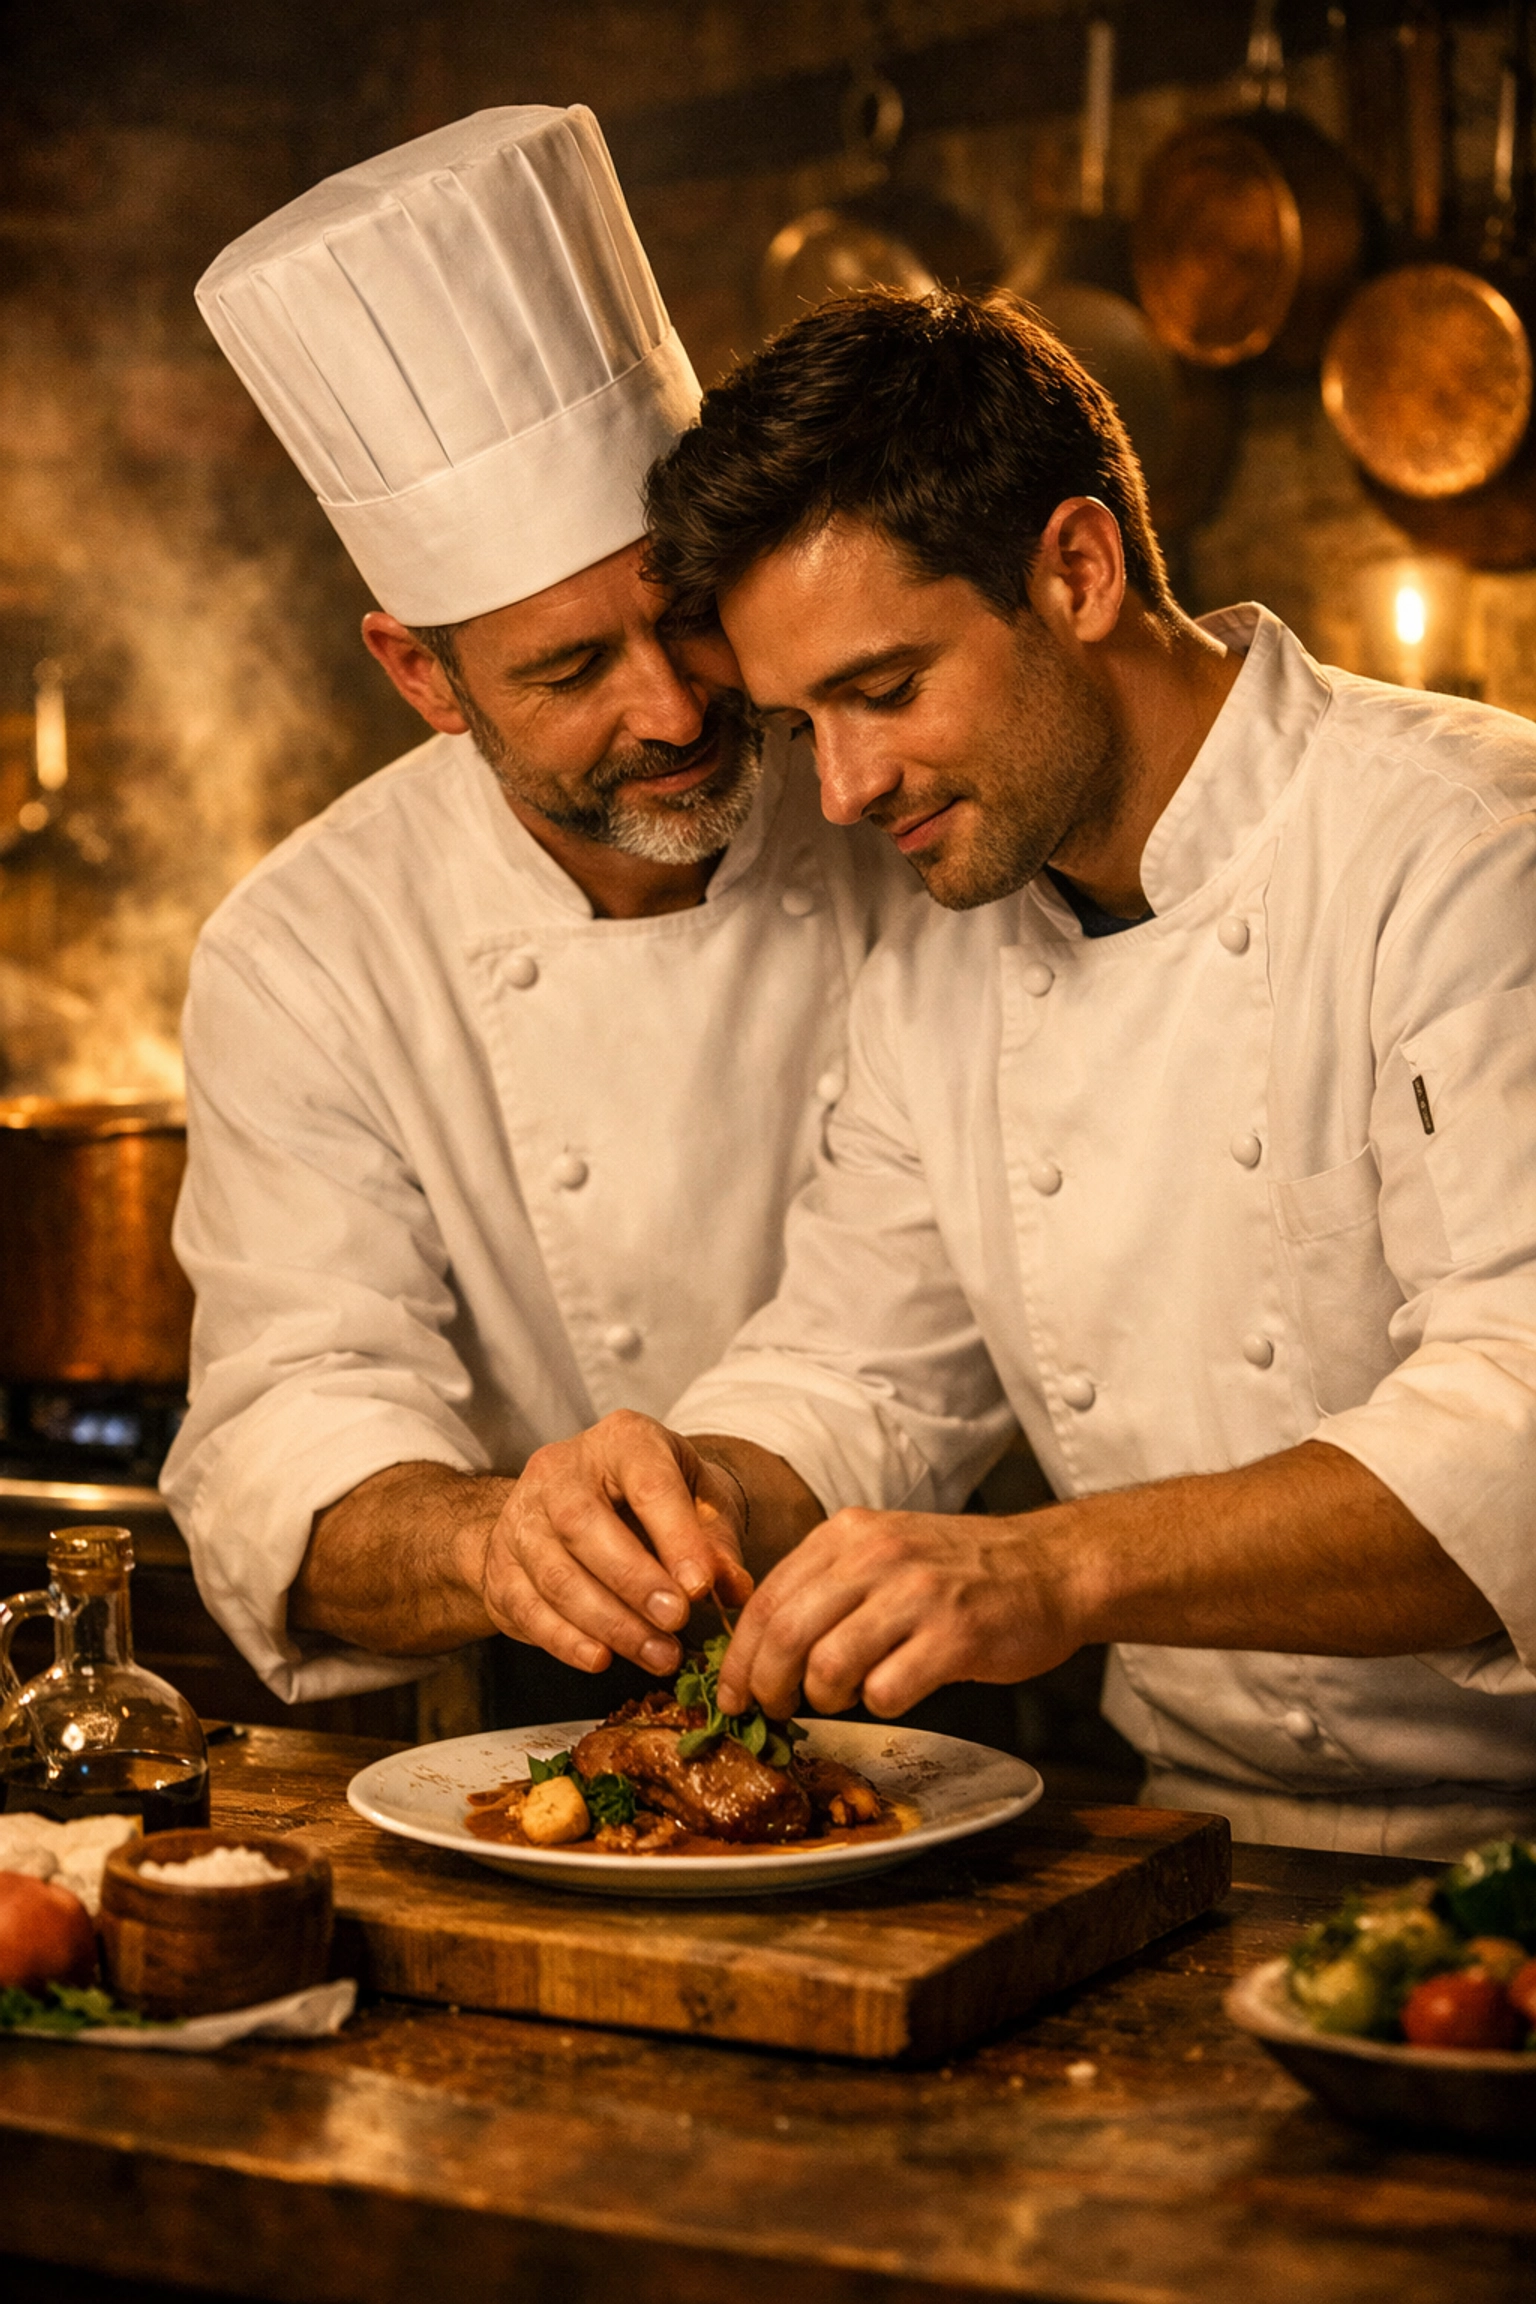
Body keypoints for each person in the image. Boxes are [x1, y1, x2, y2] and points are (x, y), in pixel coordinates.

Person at [537, 287, 1536, 1855]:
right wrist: (683, 1487)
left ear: (1079, 568)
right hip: (1197, 1845)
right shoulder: (942, 962)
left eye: (885, 691)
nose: (850, 789)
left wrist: (1053, 1572)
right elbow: (856, 1373)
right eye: (804, 728)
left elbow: (1522, 1426)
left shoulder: (1469, 850)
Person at [159, 110, 912, 1712]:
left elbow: (923, 1318)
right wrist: (504, 1542)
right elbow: (292, 1413)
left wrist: (709, 1489)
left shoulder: (906, 814)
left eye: (684, 613)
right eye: (569, 671)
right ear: (419, 673)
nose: (674, 707)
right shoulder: (307, 953)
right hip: (538, 1702)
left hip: (968, 1655)